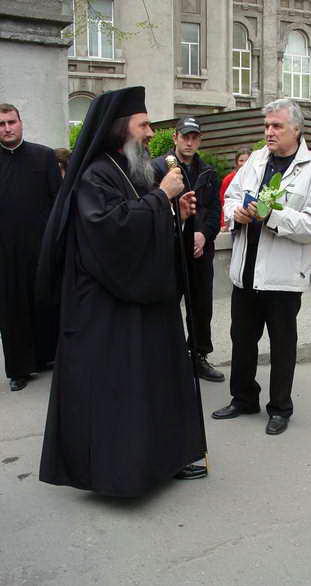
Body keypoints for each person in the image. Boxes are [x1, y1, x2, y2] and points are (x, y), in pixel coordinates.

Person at [38, 87, 207, 497]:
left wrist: (176, 214)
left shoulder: (135, 170)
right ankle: (119, 474)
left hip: (146, 299)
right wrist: (162, 198)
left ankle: (163, 459)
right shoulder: (95, 175)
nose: (151, 133)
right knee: (122, 391)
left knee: (154, 385)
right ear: (120, 128)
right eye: (144, 125)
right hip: (108, 307)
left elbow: (146, 221)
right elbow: (110, 232)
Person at [211, 98, 311, 435]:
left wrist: (272, 217)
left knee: (282, 346)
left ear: (296, 129)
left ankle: (280, 408)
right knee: (242, 340)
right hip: (245, 271)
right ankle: (243, 398)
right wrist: (235, 213)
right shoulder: (255, 160)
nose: (269, 132)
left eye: (277, 126)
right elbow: (231, 196)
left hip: (283, 277)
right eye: (266, 125)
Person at [152, 117, 224, 383]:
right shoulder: (159, 167)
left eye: (194, 137)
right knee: (166, 305)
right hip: (170, 249)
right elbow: (152, 206)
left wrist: (203, 235)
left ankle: (198, 355)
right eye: (185, 137)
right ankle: (166, 358)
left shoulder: (208, 172)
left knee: (201, 306)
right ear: (175, 138)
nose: (190, 142)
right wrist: (181, 229)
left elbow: (214, 211)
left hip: (200, 252)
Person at [0, 103, 62, 392]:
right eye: (1, 124)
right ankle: (19, 369)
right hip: (6, 252)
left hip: (41, 247)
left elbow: (58, 201)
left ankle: (47, 356)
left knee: (45, 302)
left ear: (20, 122)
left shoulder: (44, 156)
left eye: (11, 122)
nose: (7, 128)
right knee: (13, 311)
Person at [219, 148, 251, 231]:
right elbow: (223, 202)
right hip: (233, 221)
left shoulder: (255, 178)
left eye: (247, 160)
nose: (244, 164)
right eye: (241, 161)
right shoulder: (228, 179)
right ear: (236, 162)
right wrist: (224, 223)